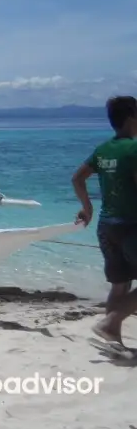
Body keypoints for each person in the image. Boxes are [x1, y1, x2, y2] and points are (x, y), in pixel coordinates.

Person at [71, 95, 137, 349]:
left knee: (120, 285)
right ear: (132, 117)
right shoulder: (134, 149)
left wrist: (87, 208)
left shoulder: (103, 150)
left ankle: (113, 341)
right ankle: (110, 324)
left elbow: (77, 179)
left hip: (106, 226)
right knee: (122, 285)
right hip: (131, 226)